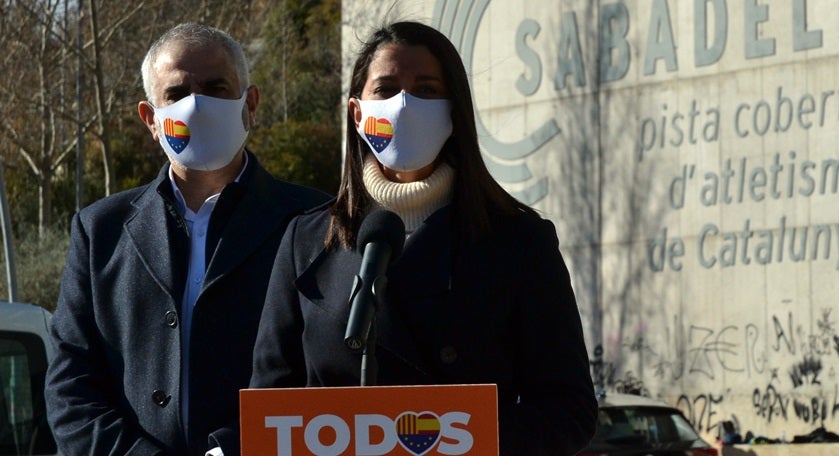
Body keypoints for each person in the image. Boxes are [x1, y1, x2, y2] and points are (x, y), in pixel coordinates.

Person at [249, 21, 598, 455]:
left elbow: (570, 410)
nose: (404, 105)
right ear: (358, 114)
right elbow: (270, 403)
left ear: (454, 112)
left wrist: (459, 439)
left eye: (427, 89)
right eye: (387, 88)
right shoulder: (305, 241)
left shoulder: (519, 241)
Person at [43, 23, 330, 455]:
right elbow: (70, 386)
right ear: (150, 120)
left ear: (250, 104)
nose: (197, 106)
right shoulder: (99, 230)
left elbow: (324, 374)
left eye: (216, 88)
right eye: (176, 95)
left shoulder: (315, 222)